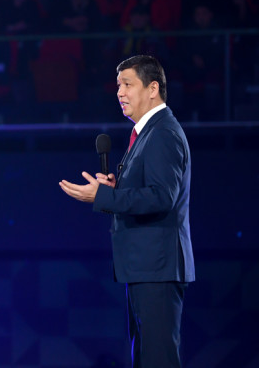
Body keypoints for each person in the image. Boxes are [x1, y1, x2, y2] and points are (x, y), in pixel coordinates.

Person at [59, 54, 194, 368]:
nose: (119, 92)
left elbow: (162, 196)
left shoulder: (162, 133)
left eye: (128, 84)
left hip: (157, 268)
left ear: (153, 88)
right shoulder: (149, 133)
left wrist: (104, 197)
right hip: (147, 268)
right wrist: (114, 189)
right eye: (118, 85)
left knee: (158, 361)